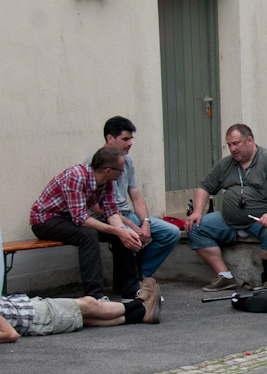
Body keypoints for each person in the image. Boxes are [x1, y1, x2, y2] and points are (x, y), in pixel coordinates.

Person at [185, 124, 267, 292]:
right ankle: (224, 276)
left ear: (249, 140)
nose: (232, 149)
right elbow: (205, 187)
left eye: (236, 143)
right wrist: (197, 212)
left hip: (261, 218)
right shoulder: (226, 164)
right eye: (229, 145)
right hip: (229, 221)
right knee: (196, 228)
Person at [30, 147, 143, 303]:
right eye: (120, 170)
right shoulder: (75, 176)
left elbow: (111, 212)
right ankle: (95, 296)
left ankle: (130, 292)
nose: (123, 173)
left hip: (70, 219)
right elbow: (81, 219)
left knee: (120, 234)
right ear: (109, 170)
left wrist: (123, 230)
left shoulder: (107, 183)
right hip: (46, 221)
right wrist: (118, 231)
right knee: (88, 234)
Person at [92, 116, 181, 285]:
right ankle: (129, 281)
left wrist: (145, 222)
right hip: (106, 217)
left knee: (171, 232)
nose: (130, 143)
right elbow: (97, 208)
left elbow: (136, 195)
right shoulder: (96, 161)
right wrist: (132, 226)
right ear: (110, 138)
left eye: (131, 139)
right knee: (130, 235)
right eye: (125, 139)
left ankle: (139, 276)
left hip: (126, 214)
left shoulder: (127, 161)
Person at [1, 292, 155, 341]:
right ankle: (142, 301)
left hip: (35, 312)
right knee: (89, 304)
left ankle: (142, 314)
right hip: (38, 315)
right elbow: (10, 334)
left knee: (87, 319)